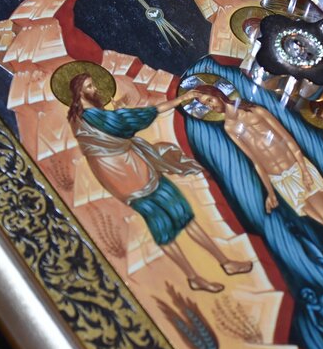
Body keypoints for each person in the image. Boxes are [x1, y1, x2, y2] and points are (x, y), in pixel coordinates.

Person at [187, 84, 323, 302]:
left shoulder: (254, 110)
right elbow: (255, 161)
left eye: (209, 100)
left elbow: (286, 138)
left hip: (296, 169)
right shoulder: (229, 127)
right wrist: (270, 192)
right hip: (281, 181)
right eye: (205, 104)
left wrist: (303, 169)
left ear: (218, 94)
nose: (210, 105)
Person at [52, 61, 252, 292]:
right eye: (89, 86)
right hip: (128, 175)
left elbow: (113, 128)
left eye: (93, 84)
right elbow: (128, 121)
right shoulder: (92, 115)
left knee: (178, 217)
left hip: (125, 174)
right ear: (79, 92)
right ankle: (199, 274)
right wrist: (180, 100)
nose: (95, 89)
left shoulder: (80, 117)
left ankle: (220, 265)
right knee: (167, 224)